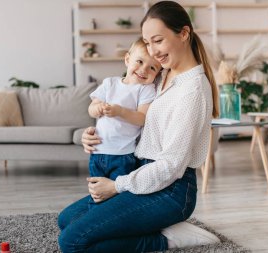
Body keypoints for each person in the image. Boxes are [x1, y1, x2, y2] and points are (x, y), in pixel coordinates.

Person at [58, 1, 221, 252]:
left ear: (184, 34)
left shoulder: (193, 90)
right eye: (147, 43)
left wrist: (116, 186)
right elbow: (128, 114)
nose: (152, 52)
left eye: (158, 40)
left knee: (72, 241)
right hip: (140, 173)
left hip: (171, 191)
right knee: (66, 220)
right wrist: (90, 135)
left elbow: (170, 167)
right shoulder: (162, 74)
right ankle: (152, 225)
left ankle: (167, 239)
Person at [87, 38, 161, 208]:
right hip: (98, 152)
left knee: (117, 198)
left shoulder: (146, 89)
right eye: (140, 61)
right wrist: (97, 108)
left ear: (157, 74)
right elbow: (91, 108)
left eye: (152, 68)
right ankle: (96, 220)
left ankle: (111, 221)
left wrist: (120, 111)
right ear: (127, 59)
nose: (144, 69)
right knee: (96, 193)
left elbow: (142, 118)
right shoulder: (110, 83)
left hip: (123, 155)